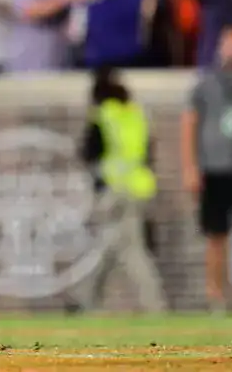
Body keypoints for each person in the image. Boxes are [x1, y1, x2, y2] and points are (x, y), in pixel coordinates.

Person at [181, 26, 232, 313]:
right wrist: (191, 166)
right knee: (216, 236)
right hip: (215, 169)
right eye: (230, 43)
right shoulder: (206, 84)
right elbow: (189, 124)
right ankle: (216, 298)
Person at [72, 68, 167, 313]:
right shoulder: (136, 114)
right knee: (111, 245)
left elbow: (88, 151)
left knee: (131, 249)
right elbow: (148, 150)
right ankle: (84, 299)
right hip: (140, 186)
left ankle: (154, 304)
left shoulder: (103, 115)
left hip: (115, 190)